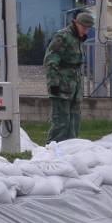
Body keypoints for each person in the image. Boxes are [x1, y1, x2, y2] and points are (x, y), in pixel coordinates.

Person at [44, 10, 94, 143]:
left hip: (74, 89)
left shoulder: (78, 39)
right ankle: (51, 152)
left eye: (88, 29)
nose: (86, 31)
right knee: (61, 123)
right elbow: (51, 61)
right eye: (84, 27)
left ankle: (70, 152)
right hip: (61, 88)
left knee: (74, 123)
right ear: (76, 23)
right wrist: (53, 85)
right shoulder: (63, 37)